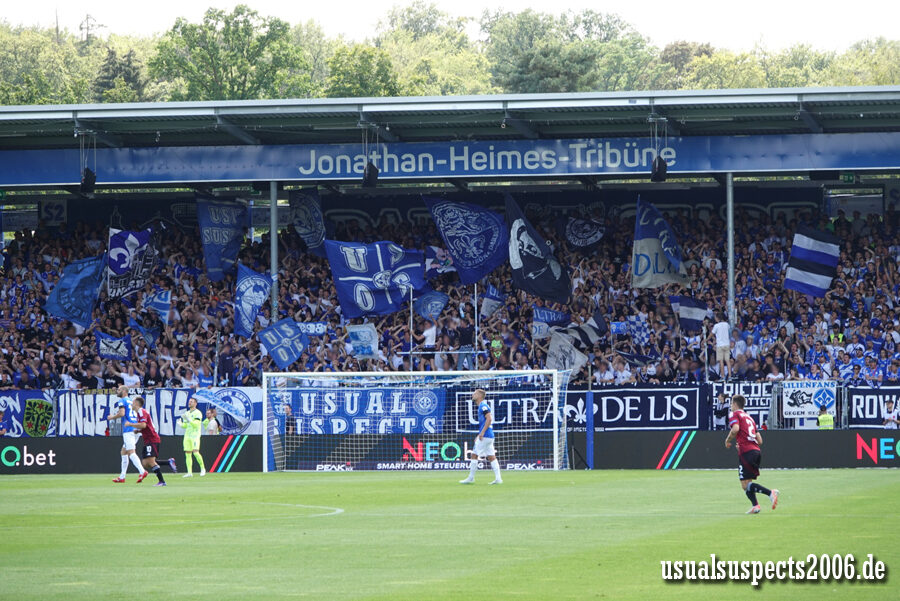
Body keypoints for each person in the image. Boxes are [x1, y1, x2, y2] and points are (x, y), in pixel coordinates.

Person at [724, 394, 779, 514]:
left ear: (735, 404)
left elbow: (735, 429)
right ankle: (756, 506)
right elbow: (760, 440)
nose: (731, 406)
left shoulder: (735, 414)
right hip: (755, 451)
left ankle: (770, 493)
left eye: (731, 403)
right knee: (747, 482)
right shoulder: (749, 418)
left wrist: (727, 440)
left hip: (747, 452)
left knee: (745, 485)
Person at [126, 396, 175, 486]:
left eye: (132, 402)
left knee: (150, 461)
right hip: (148, 439)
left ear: (136, 403)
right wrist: (139, 431)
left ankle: (162, 481)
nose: (131, 404)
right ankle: (168, 462)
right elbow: (147, 426)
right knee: (145, 463)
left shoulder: (141, 411)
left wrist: (131, 424)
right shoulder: (140, 413)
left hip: (152, 439)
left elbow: (143, 425)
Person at [104, 386, 149, 483]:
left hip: (128, 429)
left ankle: (142, 471)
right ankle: (122, 476)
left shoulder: (122, 401)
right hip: (136, 428)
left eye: (119, 390)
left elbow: (122, 413)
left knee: (131, 452)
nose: (117, 391)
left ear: (124, 391)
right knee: (123, 452)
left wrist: (112, 417)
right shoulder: (131, 401)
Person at [459, 389, 502, 485]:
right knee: (491, 457)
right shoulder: (482, 406)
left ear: (479, 396)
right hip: (489, 435)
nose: (472, 395)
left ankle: (471, 478)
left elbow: (489, 418)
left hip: (486, 435)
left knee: (474, 455)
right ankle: (498, 478)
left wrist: (482, 433)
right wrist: (479, 434)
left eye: (475, 393)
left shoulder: (483, 406)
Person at [179, 397, 205, 477]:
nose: (189, 403)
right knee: (187, 453)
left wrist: (189, 419)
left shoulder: (198, 413)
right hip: (187, 435)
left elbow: (196, 425)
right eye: (189, 401)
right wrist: (181, 424)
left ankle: (202, 469)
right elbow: (186, 425)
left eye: (191, 402)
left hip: (195, 435)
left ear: (195, 403)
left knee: (196, 452)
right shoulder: (186, 413)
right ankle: (189, 472)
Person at [711, 313, 732, 380]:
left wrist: (706, 339)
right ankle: (730, 376)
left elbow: (712, 334)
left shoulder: (716, 325)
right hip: (727, 344)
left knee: (721, 361)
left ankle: (722, 376)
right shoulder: (726, 324)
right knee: (728, 361)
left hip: (720, 345)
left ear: (717, 318)